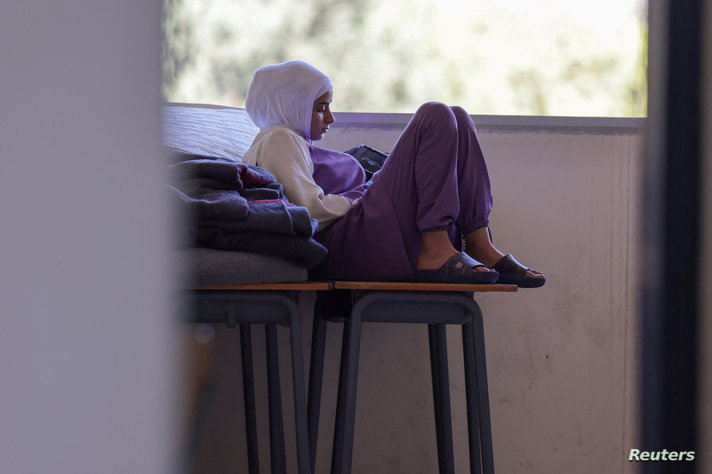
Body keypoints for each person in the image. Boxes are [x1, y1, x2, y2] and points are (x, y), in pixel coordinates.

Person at [243, 60, 545, 287]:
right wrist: (362, 193)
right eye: (321, 108)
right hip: (343, 245)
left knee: (458, 117)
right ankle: (437, 247)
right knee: (434, 114)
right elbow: (308, 213)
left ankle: (478, 242)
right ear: (289, 104)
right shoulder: (278, 137)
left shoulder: (295, 142)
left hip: (369, 234)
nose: (330, 118)